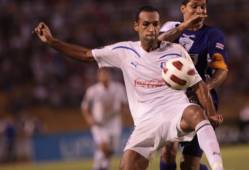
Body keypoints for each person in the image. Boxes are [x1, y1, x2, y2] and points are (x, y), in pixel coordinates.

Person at [33, 5, 225, 170]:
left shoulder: (176, 51)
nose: (151, 29)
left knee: (195, 112)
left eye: (156, 24)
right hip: (146, 122)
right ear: (136, 26)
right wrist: (52, 41)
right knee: (127, 165)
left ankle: (218, 167)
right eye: (146, 24)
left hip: (175, 111)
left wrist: (211, 112)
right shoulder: (124, 51)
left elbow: (199, 86)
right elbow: (85, 55)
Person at [158, 0, 228, 169]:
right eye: (194, 6)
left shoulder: (213, 34)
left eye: (202, 6)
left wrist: (206, 87)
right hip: (172, 98)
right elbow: (156, 44)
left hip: (200, 101)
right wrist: (185, 26)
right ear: (183, 9)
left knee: (189, 166)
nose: (199, 10)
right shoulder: (171, 28)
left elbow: (221, 69)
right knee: (168, 151)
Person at [81, 68, 128, 170]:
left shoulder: (118, 88)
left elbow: (124, 103)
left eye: (105, 74)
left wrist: (122, 112)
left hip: (114, 122)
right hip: (99, 123)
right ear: (98, 77)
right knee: (104, 147)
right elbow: (84, 107)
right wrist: (89, 118)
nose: (104, 76)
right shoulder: (92, 91)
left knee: (111, 149)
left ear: (109, 75)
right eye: (101, 74)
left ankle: (101, 166)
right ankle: (99, 166)